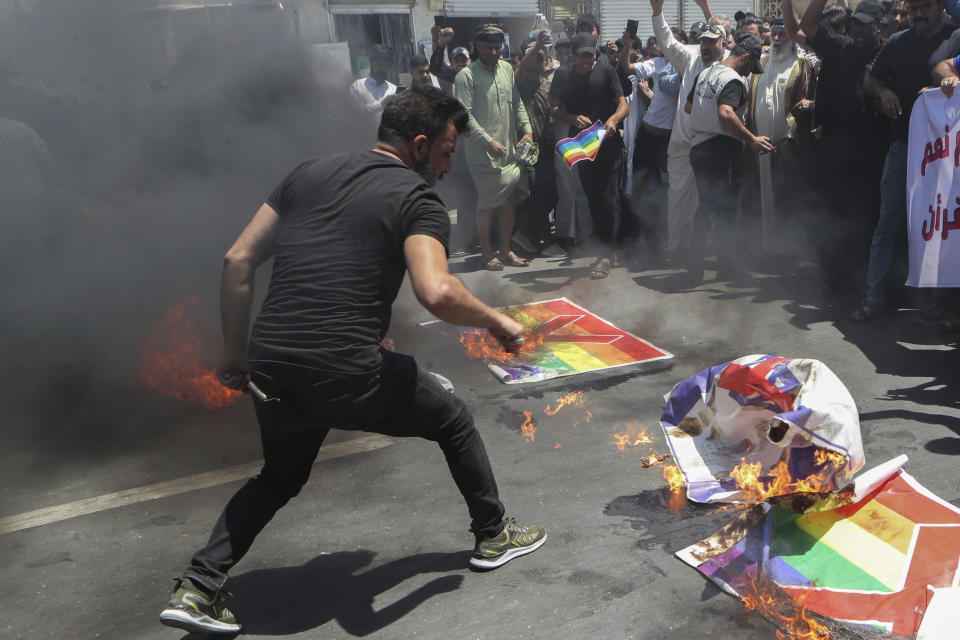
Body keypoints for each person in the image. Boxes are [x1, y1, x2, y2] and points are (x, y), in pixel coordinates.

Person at [158, 87, 547, 635]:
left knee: (280, 477)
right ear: (418, 144)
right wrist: (497, 320)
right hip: (345, 369)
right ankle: (493, 533)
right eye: (446, 151)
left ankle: (198, 586)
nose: (448, 164)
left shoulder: (306, 175)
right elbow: (435, 290)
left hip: (271, 367)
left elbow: (237, 260)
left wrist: (235, 354)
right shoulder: (418, 200)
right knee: (452, 417)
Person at [853, 0, 955, 321]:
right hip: (904, 147)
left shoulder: (956, 37)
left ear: (940, 6)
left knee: (944, 225)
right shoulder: (899, 42)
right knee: (888, 222)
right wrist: (882, 91)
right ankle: (874, 297)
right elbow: (870, 79)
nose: (918, 14)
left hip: (946, 154)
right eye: (913, 9)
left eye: (924, 7)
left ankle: (942, 303)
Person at [786, 0, 888, 292]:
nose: (857, 29)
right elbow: (805, 27)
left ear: (878, 27)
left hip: (874, 150)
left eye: (864, 24)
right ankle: (835, 278)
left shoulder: (888, 52)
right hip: (836, 149)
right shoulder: (841, 47)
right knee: (836, 211)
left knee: (870, 214)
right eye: (854, 23)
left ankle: (870, 278)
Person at [683, 33, 773, 277]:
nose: (749, 73)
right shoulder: (733, 79)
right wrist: (751, 139)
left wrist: (707, 116)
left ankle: (695, 267)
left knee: (707, 207)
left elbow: (689, 107)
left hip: (699, 148)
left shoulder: (707, 72)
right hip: (720, 151)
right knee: (725, 208)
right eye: (751, 67)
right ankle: (724, 266)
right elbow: (725, 113)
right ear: (744, 57)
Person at [650, 0, 727, 259]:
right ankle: (675, 246)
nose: (705, 46)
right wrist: (657, 11)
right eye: (702, 41)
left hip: (712, 146)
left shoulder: (729, 66)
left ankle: (704, 250)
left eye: (711, 42)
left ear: (723, 45)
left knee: (709, 202)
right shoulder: (690, 58)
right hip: (683, 144)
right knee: (677, 197)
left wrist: (707, 10)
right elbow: (668, 41)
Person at [550, 33, 629, 279]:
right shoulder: (563, 74)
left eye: (590, 56)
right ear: (572, 55)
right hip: (582, 144)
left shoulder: (606, 71)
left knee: (608, 196)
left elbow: (623, 103)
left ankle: (606, 252)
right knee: (592, 196)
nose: (586, 61)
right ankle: (603, 246)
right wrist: (572, 118)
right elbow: (554, 110)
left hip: (608, 140)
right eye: (581, 57)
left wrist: (613, 120)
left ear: (596, 53)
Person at [454, 24, 533, 270]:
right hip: (481, 152)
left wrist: (527, 130)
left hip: (508, 149)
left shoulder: (508, 69)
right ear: (477, 47)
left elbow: (517, 102)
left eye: (498, 47)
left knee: (508, 201)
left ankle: (506, 250)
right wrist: (487, 141)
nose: (494, 51)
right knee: (487, 204)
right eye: (489, 47)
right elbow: (464, 116)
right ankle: (487, 253)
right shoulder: (465, 76)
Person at [742, 19, 813, 246]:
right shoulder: (761, 63)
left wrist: (790, 138)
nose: (777, 39)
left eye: (783, 34)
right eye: (774, 34)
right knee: (760, 192)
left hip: (786, 141)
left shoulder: (801, 65)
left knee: (784, 192)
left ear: (792, 38)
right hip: (759, 138)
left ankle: (786, 249)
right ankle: (764, 246)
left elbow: (804, 104)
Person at [349, 45, 397, 124]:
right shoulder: (358, 86)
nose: (384, 70)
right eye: (381, 66)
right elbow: (353, 114)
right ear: (371, 62)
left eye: (387, 67)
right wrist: (380, 105)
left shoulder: (393, 89)